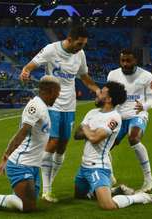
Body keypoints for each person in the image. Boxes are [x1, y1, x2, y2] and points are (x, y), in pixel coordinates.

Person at [20, 25, 100, 202]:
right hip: (52, 103)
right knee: (53, 141)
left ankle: (48, 186)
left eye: (84, 44)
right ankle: (46, 190)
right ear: (70, 39)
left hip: (69, 106)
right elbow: (31, 65)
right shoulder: (51, 50)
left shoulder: (80, 55)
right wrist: (26, 71)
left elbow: (84, 76)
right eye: (79, 44)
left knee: (62, 146)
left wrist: (95, 88)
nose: (81, 47)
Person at [0, 75, 60, 212]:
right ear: (51, 91)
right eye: (57, 93)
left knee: (25, 202)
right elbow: (21, 133)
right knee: (28, 207)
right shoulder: (35, 106)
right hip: (21, 164)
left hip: (33, 165)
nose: (57, 97)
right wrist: (6, 156)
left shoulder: (43, 107)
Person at [74, 81, 152, 210]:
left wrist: (86, 127)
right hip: (83, 166)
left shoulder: (114, 118)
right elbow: (77, 134)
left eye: (101, 92)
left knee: (107, 205)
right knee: (79, 195)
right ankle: (114, 191)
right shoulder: (92, 112)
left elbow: (94, 138)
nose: (97, 93)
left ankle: (139, 197)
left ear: (108, 99)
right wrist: (89, 131)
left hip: (98, 166)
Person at [107, 48, 152, 192]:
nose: (125, 64)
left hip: (137, 114)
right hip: (118, 116)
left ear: (136, 60)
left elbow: (151, 101)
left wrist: (144, 106)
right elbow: (110, 97)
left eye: (128, 60)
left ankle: (149, 180)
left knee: (133, 138)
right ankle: (110, 177)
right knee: (103, 147)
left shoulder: (147, 76)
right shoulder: (113, 75)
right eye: (122, 60)